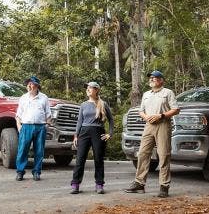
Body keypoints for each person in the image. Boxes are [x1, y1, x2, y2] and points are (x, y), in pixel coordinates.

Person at [124, 70, 180, 198]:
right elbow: (141, 111)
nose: (152, 79)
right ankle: (139, 183)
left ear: (161, 80)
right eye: (151, 78)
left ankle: (164, 186)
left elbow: (176, 109)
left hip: (163, 124)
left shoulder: (168, 92)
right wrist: (147, 117)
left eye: (155, 78)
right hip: (149, 125)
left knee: (163, 155)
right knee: (143, 153)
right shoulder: (146, 94)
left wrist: (161, 115)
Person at [70, 82, 114, 194]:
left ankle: (99, 184)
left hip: (98, 132)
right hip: (84, 133)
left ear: (97, 90)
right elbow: (79, 121)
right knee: (80, 159)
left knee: (98, 159)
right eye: (87, 88)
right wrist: (76, 135)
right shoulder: (83, 104)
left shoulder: (103, 104)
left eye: (90, 88)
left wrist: (110, 133)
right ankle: (75, 184)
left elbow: (111, 120)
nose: (88, 89)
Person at [15, 76, 51, 181]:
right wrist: (19, 127)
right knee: (22, 150)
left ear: (37, 86)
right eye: (28, 84)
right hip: (26, 126)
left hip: (40, 126)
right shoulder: (23, 98)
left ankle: (36, 172)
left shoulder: (44, 97)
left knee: (39, 151)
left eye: (32, 84)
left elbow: (48, 114)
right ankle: (20, 172)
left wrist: (46, 126)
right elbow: (18, 114)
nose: (29, 86)